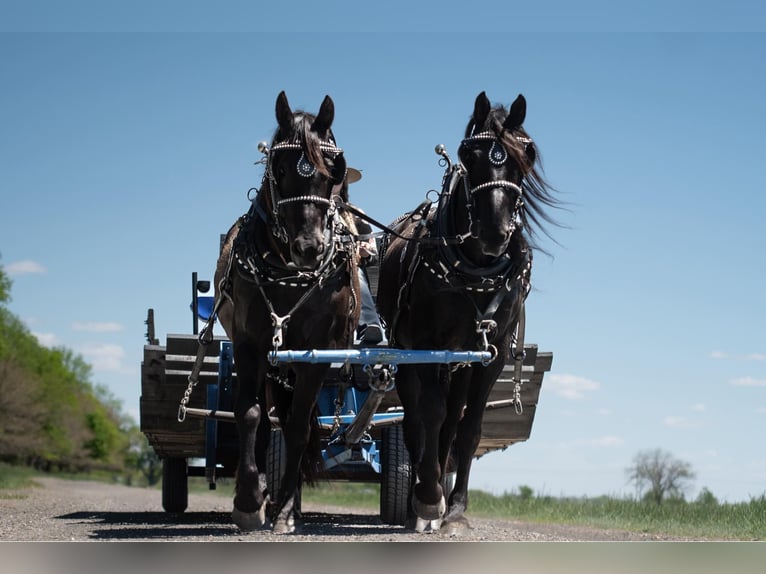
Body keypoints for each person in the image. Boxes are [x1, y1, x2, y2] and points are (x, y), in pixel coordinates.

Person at [345, 168, 384, 345]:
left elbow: (372, 250)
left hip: (349, 269)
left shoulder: (356, 214)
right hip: (317, 269)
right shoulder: (313, 209)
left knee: (356, 275)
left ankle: (369, 324)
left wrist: (364, 251)